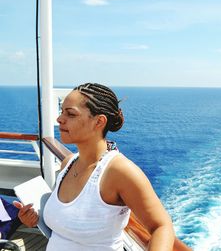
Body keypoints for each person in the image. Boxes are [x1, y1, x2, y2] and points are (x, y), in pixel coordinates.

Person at [13, 83, 175, 251]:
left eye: (71, 114)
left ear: (99, 121)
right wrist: (33, 220)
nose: (60, 119)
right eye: (62, 112)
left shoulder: (119, 171)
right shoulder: (67, 164)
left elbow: (162, 226)